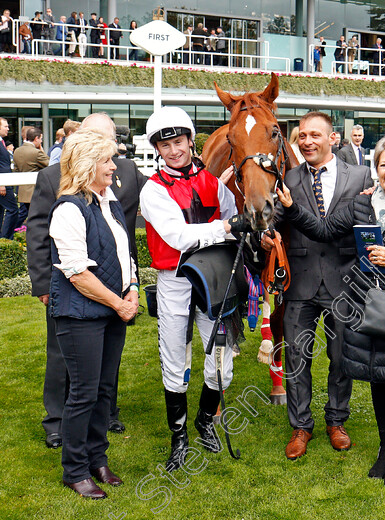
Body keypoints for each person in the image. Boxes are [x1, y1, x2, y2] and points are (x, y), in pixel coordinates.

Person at [277, 135, 385, 490]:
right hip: (367, 309)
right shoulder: (362, 205)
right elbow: (325, 230)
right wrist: (293, 208)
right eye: (384, 164)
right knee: (377, 381)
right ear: (376, 169)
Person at [27, 113, 147, 451]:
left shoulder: (125, 173)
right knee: (62, 356)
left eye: (109, 145)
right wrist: (42, 284)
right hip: (71, 284)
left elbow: (159, 200)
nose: (107, 157)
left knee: (107, 358)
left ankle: (106, 413)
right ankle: (56, 421)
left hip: (117, 282)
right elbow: (37, 233)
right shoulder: (52, 177)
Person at [138, 107, 245, 472]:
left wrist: (239, 227)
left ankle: (203, 419)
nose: (173, 150)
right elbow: (178, 236)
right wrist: (225, 228)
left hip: (214, 276)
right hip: (177, 280)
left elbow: (235, 217)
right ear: (157, 149)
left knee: (223, 364)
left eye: (178, 142)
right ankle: (178, 436)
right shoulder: (152, 190)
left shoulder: (213, 182)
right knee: (175, 360)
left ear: (190, 141)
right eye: (164, 145)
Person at [273, 111, 373, 461]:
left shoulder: (360, 175)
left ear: (333, 139)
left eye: (315, 135)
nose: (307, 141)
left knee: (340, 355)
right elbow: (275, 221)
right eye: (302, 136)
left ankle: (336, 421)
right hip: (299, 280)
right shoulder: (287, 177)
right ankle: (301, 426)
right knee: (297, 357)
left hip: (344, 280)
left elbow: (365, 225)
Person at [48, 128, 138, 500]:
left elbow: (124, 253)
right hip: (80, 316)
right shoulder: (69, 208)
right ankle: (75, 469)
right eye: (106, 159)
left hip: (112, 312)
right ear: (86, 165)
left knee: (104, 390)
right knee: (83, 393)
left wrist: (131, 287)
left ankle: (97, 458)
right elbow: (77, 273)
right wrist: (118, 303)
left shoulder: (108, 201)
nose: (113, 165)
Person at [13, 126, 49, 229]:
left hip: (23, 190)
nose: (41, 141)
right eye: (41, 139)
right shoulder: (36, 153)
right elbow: (50, 164)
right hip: (35, 191)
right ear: (36, 138)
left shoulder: (17, 151)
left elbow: (16, 170)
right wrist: (41, 150)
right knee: (36, 218)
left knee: (25, 214)